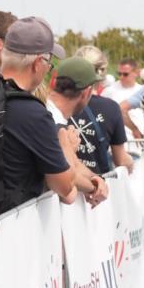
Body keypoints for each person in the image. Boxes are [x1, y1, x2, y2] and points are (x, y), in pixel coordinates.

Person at [0, 17, 78, 209]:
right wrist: (67, 147)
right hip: (12, 222)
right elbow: (64, 186)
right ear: (37, 63)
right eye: (49, 63)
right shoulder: (33, 112)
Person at [45, 57, 110, 206]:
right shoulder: (53, 122)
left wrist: (97, 178)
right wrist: (93, 188)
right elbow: (68, 182)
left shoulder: (50, 113)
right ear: (87, 92)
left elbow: (73, 163)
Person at [71, 48, 134, 174]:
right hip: (97, 187)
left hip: (61, 188)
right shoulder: (111, 108)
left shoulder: (60, 103)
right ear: (102, 72)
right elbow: (120, 160)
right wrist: (132, 163)